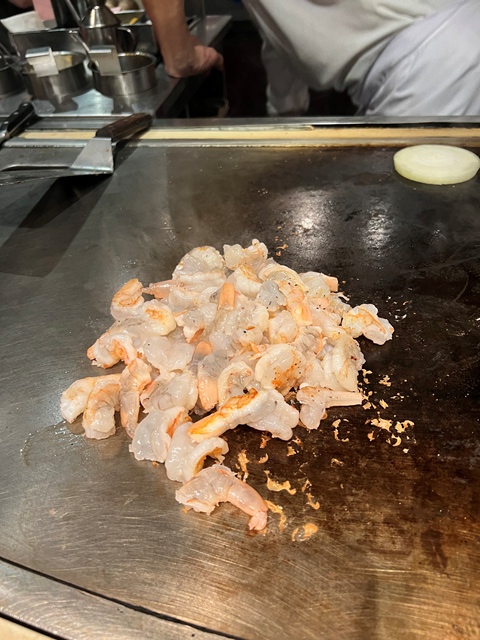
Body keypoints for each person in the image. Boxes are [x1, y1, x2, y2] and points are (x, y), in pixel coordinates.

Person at [142, 0, 480, 116]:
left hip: (435, 69)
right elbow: (280, 33)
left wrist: (181, 56)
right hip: (450, 47)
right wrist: (285, 109)